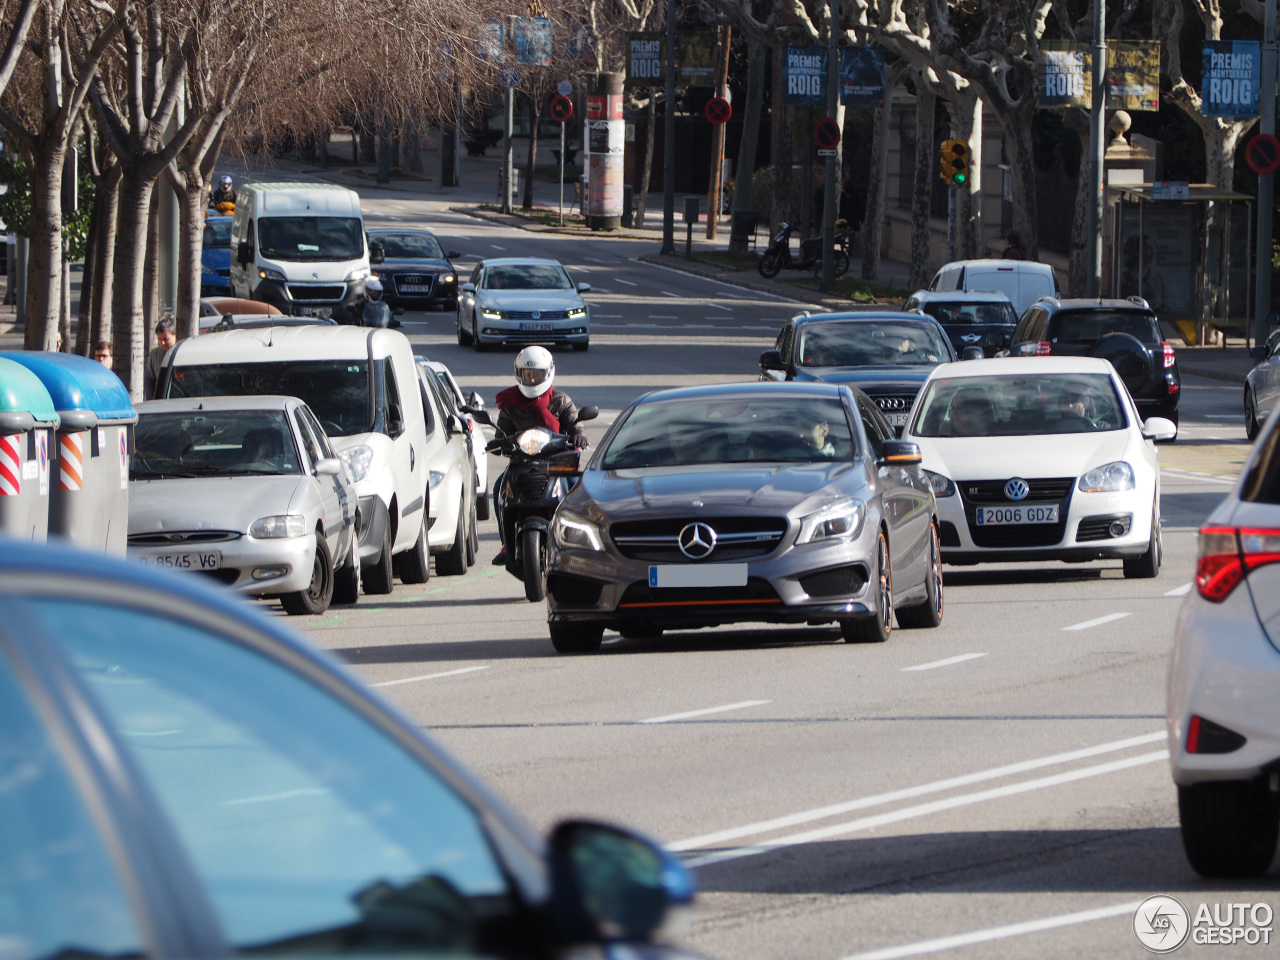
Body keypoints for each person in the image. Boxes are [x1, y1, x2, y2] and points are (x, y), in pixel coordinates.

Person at [491, 346, 588, 564]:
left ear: (549, 373)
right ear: (519, 374)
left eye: (537, 375)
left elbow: (575, 423)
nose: (532, 379)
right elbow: (501, 434)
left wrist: (579, 435)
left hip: (556, 461)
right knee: (499, 488)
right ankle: (507, 544)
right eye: (528, 374)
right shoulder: (509, 404)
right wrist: (499, 443)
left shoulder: (561, 400)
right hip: (521, 462)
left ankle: (580, 540)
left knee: (579, 488)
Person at [144, 317, 177, 400]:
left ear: (174, 335)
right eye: (159, 339)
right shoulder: (154, 355)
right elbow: (149, 380)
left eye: (166, 339)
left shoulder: (182, 352)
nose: (162, 343)